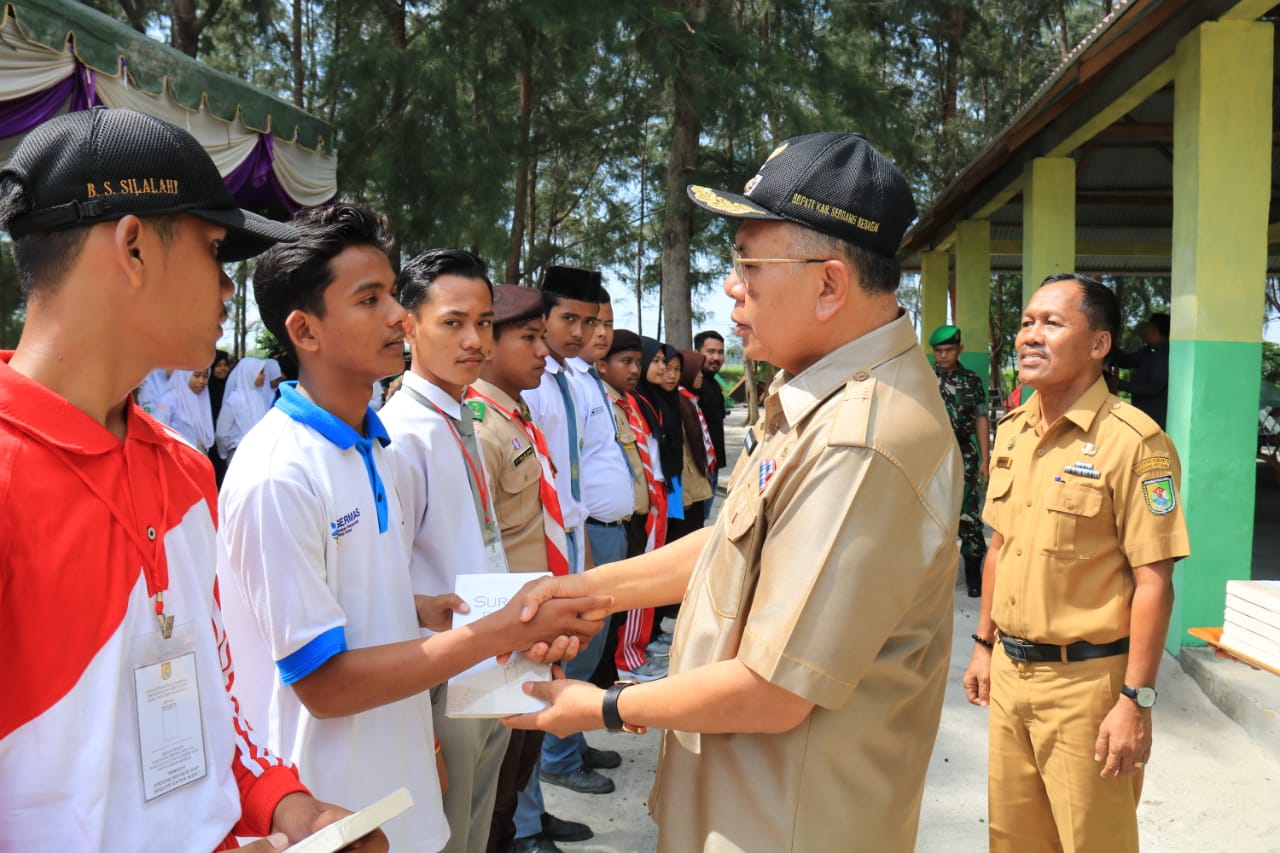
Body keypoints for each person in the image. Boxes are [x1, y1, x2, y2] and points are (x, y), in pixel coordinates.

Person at [506, 131, 963, 852]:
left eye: (749, 264)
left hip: (787, 821)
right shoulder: (816, 393)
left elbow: (774, 688)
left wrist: (600, 705)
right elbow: (727, 547)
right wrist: (582, 592)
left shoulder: (863, 437)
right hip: (746, 799)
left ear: (829, 284)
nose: (731, 287)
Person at [0, 106, 386, 851]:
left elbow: (216, 704)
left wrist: (285, 805)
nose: (229, 287)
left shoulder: (182, 471)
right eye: (216, 249)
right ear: (134, 247)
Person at [215, 207, 605, 853]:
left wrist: (422, 731)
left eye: (392, 293)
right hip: (330, 804)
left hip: (400, 778)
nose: (398, 314)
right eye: (370, 299)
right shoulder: (277, 473)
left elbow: (365, 599)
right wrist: (498, 630)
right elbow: (325, 683)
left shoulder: (373, 444)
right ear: (304, 330)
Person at [962, 274, 1190, 852]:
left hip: (1088, 688)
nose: (1029, 337)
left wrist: (1136, 700)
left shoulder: (1137, 444)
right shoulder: (1013, 432)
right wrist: (984, 643)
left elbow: (1154, 582)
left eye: (1052, 323)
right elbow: (999, 545)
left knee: (1094, 843)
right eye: (1026, 323)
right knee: (1013, 841)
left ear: (1099, 345)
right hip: (1012, 677)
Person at [465, 284, 593, 853]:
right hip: (502, 631)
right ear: (488, 343)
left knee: (516, 774)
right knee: (490, 790)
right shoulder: (478, 426)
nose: (544, 351)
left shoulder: (511, 416)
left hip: (531, 627)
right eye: (529, 337)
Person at [929, 324, 991, 597]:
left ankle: (973, 573)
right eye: (938, 351)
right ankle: (931, 578)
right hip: (930, 456)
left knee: (969, 516)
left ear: (959, 349)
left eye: (948, 350)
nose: (943, 356)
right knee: (929, 515)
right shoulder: (924, 379)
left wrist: (985, 459)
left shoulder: (972, 380)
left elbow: (981, 418)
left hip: (964, 453)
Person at [214, 355, 281, 462]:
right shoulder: (234, 400)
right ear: (250, 373)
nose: (264, 376)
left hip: (259, 454)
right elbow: (221, 434)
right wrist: (226, 453)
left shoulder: (259, 397)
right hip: (239, 454)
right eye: (260, 373)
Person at [1112, 311, 1170, 429]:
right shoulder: (1149, 351)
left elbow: (1154, 388)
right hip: (1144, 415)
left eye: (1147, 327)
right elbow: (1126, 361)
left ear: (1153, 329)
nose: (1144, 332)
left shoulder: (1164, 354)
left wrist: (1122, 384)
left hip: (1154, 418)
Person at [693, 330, 729, 514]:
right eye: (711, 351)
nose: (716, 357)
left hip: (713, 466)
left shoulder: (713, 384)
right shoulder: (693, 386)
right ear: (698, 352)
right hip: (699, 469)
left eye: (720, 352)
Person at [156, 367, 216, 455]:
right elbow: (158, 430)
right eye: (197, 376)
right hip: (176, 456)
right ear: (184, 375)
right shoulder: (169, 399)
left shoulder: (202, 400)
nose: (202, 381)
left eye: (205, 376)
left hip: (200, 455)